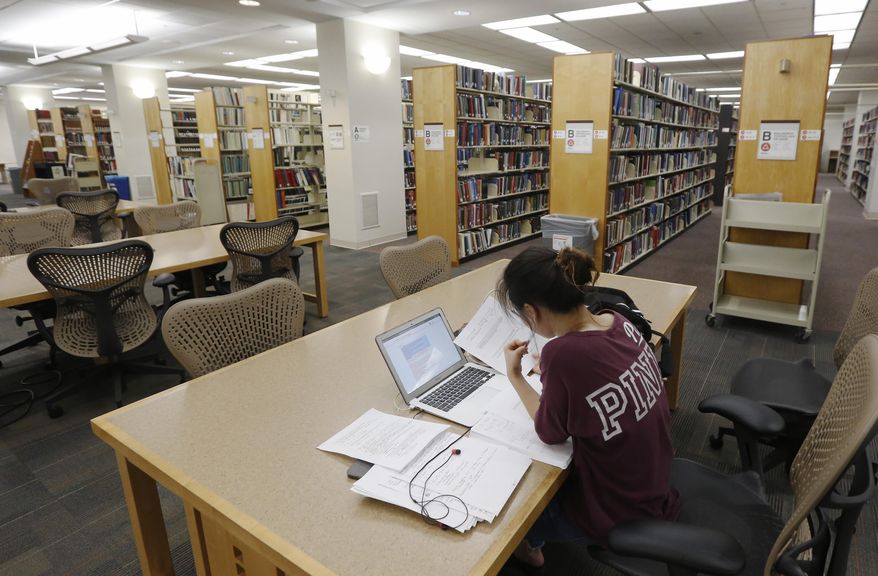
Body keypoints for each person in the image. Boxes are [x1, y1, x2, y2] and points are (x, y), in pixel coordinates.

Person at [497, 246, 679, 568]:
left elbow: (548, 433)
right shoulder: (617, 320)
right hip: (655, 481)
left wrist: (515, 376)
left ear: (531, 311)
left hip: (620, 510)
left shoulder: (564, 356)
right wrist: (558, 372)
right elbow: (597, 369)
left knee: (515, 508)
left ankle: (532, 548)